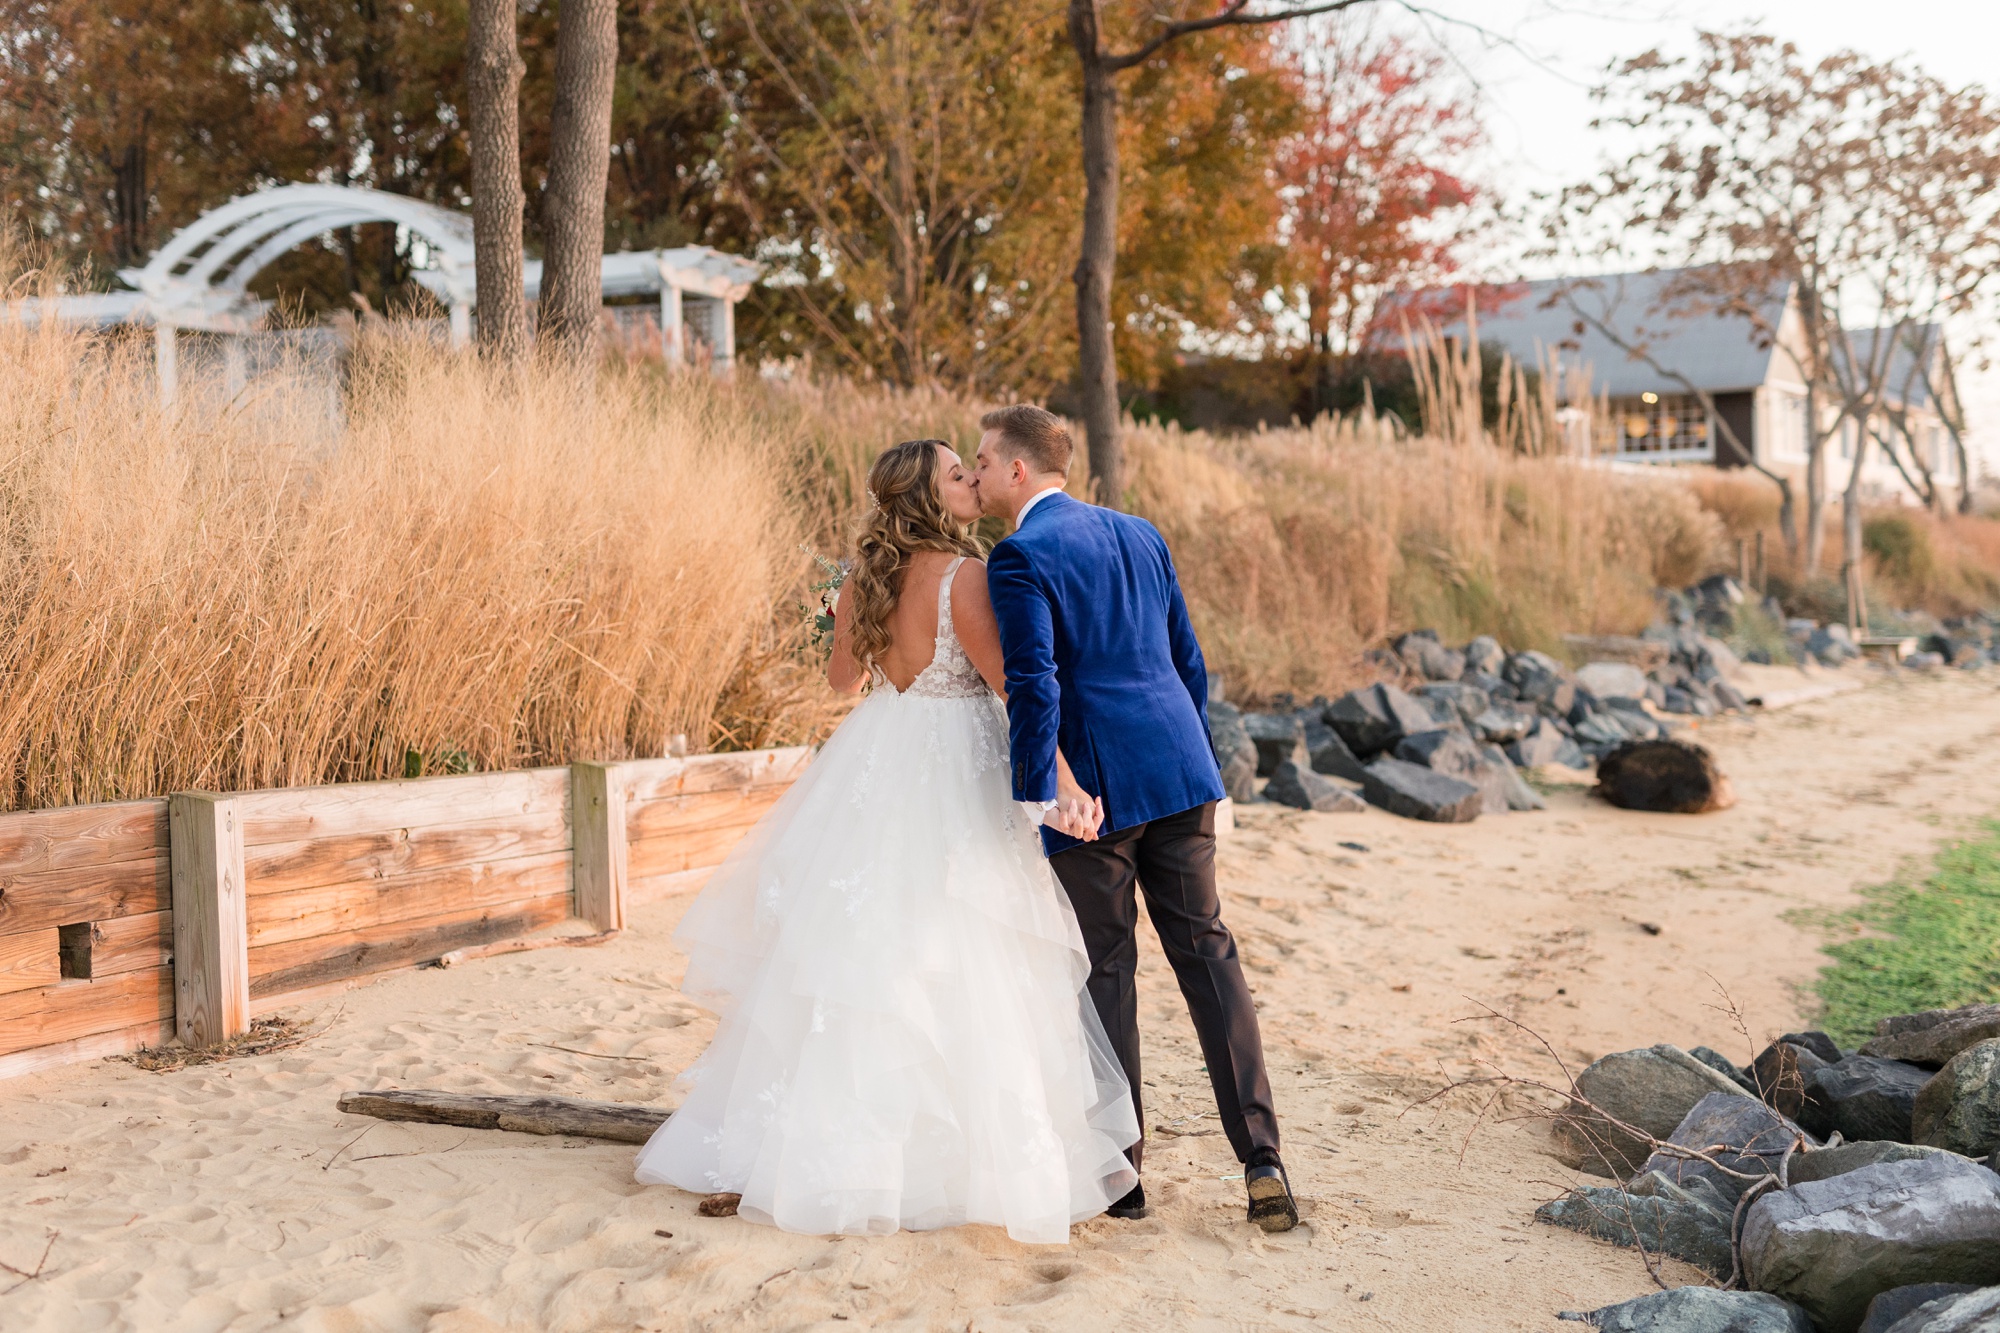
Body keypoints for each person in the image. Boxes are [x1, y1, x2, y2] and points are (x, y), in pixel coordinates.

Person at [632, 438, 1137, 1244]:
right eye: (955, 473)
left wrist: (845, 615)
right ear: (930, 497)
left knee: (866, 946)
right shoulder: (967, 579)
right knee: (958, 944)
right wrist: (1066, 786)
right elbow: (1014, 692)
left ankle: (830, 1146)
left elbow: (843, 683)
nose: (971, 478)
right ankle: (949, 1161)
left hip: (881, 750)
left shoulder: (865, 579)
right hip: (951, 764)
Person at [974, 404, 1297, 1232]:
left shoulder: (1020, 556)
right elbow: (1186, 658)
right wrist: (1197, 765)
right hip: (1179, 769)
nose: (974, 472)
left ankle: (1124, 1178)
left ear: (1020, 470)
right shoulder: (1141, 532)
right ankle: (1263, 1158)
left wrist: (1040, 790)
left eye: (982, 459)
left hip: (1099, 799)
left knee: (1107, 970)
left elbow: (1035, 682)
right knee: (1209, 953)